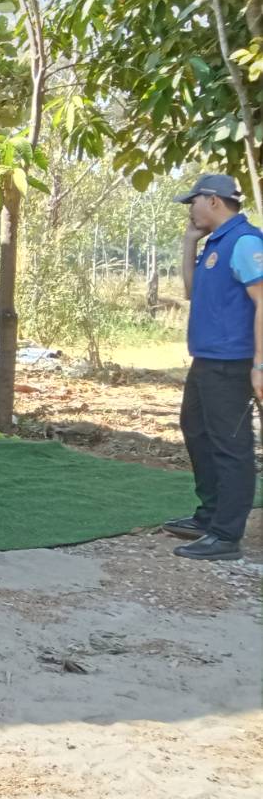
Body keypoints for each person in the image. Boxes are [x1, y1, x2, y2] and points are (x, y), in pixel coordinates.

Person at [163, 174, 262, 561]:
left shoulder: (245, 241)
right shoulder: (217, 243)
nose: (191, 209)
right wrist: (189, 242)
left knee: (230, 446)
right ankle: (209, 517)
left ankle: (226, 536)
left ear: (214, 201)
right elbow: (191, 290)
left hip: (232, 363)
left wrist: (259, 365)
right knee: (197, 432)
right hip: (207, 359)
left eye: (194, 202)